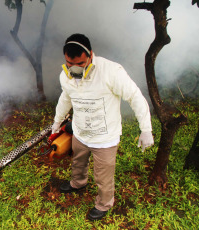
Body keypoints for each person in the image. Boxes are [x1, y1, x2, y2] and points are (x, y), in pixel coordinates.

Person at [52, 33, 154, 220]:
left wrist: (146, 129)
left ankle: (104, 204)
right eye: (69, 63)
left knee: (103, 176)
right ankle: (78, 183)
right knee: (78, 163)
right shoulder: (65, 76)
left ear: (90, 55)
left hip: (105, 139)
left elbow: (135, 96)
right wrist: (57, 121)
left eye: (81, 64)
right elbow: (66, 97)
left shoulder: (112, 72)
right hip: (81, 133)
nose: (74, 69)